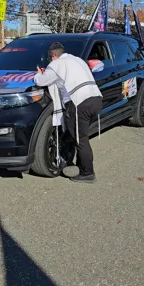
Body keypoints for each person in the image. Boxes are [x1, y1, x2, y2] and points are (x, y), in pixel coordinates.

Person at [34, 42, 102, 183]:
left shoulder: (56, 64)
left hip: (79, 102)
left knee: (80, 139)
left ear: (53, 56)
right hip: (96, 99)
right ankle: (80, 165)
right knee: (79, 135)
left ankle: (88, 173)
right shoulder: (77, 60)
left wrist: (38, 74)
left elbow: (41, 81)